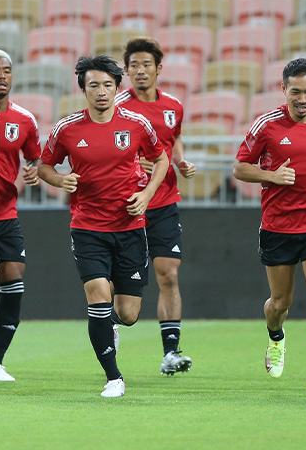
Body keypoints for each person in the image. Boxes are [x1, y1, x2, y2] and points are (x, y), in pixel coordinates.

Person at [38, 55, 169, 398]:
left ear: (116, 88)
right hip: (88, 227)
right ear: (83, 89)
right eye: (93, 85)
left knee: (127, 313)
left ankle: (110, 325)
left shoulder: (138, 124)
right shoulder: (67, 129)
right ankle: (114, 377)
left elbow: (161, 158)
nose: (101, 91)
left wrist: (147, 193)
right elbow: (44, 166)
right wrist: (61, 180)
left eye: (107, 85)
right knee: (97, 293)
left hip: (129, 227)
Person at [232, 57, 306, 397]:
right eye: (295, 92)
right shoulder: (267, 126)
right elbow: (240, 168)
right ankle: (275, 336)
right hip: (279, 227)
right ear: (283, 89)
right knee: (280, 303)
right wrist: (272, 176)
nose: (303, 99)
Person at [115, 37, 196, 376]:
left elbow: (172, 137)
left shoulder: (173, 105)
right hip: (128, 202)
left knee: (169, 273)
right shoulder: (118, 105)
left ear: (158, 68)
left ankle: (170, 353)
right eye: (133, 65)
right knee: (122, 294)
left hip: (163, 201)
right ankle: (108, 319)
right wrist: (135, 164)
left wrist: (178, 160)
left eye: (146, 64)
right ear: (126, 70)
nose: (140, 70)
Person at [0, 48, 42, 381]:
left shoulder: (24, 120)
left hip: (4, 214)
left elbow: (35, 159)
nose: (2, 76)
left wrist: (33, 171)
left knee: (14, 280)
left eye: (7, 70)